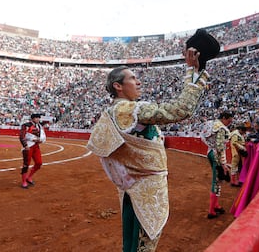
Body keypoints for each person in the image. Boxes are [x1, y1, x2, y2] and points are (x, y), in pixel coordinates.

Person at [87, 45, 212, 251]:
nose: (138, 82)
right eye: (133, 79)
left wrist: (195, 72)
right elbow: (180, 110)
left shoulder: (115, 111)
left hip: (133, 188)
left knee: (133, 243)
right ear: (118, 86)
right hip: (143, 190)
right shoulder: (128, 109)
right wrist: (192, 72)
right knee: (142, 245)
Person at [202, 111, 233, 219]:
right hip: (217, 156)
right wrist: (223, 163)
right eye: (228, 121)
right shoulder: (221, 128)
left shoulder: (210, 123)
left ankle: (216, 205)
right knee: (216, 181)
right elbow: (220, 147)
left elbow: (203, 137)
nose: (229, 123)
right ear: (224, 117)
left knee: (219, 179)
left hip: (210, 152)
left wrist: (211, 146)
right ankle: (211, 211)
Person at [19, 113, 46, 189]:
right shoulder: (26, 125)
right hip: (28, 147)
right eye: (36, 118)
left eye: (38, 118)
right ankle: (24, 181)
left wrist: (41, 140)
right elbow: (22, 136)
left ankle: (29, 177)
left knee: (39, 163)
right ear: (32, 119)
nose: (38, 119)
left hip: (36, 146)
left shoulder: (39, 126)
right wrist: (25, 145)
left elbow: (42, 136)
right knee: (26, 164)